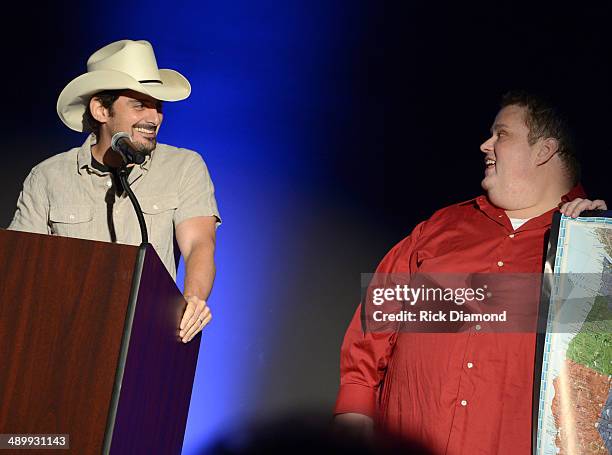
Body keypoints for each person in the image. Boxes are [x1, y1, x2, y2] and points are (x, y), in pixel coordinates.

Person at [334, 91, 607, 454]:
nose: (485, 145)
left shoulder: (589, 248)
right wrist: (354, 415)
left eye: (501, 134)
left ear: (544, 151)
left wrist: (598, 243)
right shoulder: (440, 229)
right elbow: (374, 327)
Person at [7, 39, 220, 344]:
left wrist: (193, 300)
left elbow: (200, 243)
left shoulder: (184, 166)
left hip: (148, 342)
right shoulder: (47, 177)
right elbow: (21, 267)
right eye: (139, 105)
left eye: (157, 106)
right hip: (65, 341)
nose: (154, 118)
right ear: (101, 110)